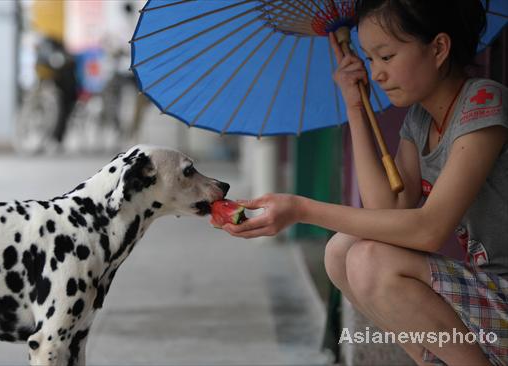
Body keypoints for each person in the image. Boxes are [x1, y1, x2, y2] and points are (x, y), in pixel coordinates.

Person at [216, 0, 508, 365]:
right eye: (370, 60)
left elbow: (429, 229)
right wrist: (355, 106)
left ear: (438, 48)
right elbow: (385, 213)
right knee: (343, 251)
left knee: (370, 260)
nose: (378, 74)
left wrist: (301, 209)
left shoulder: (483, 103)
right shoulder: (420, 120)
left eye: (386, 56)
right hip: (489, 299)